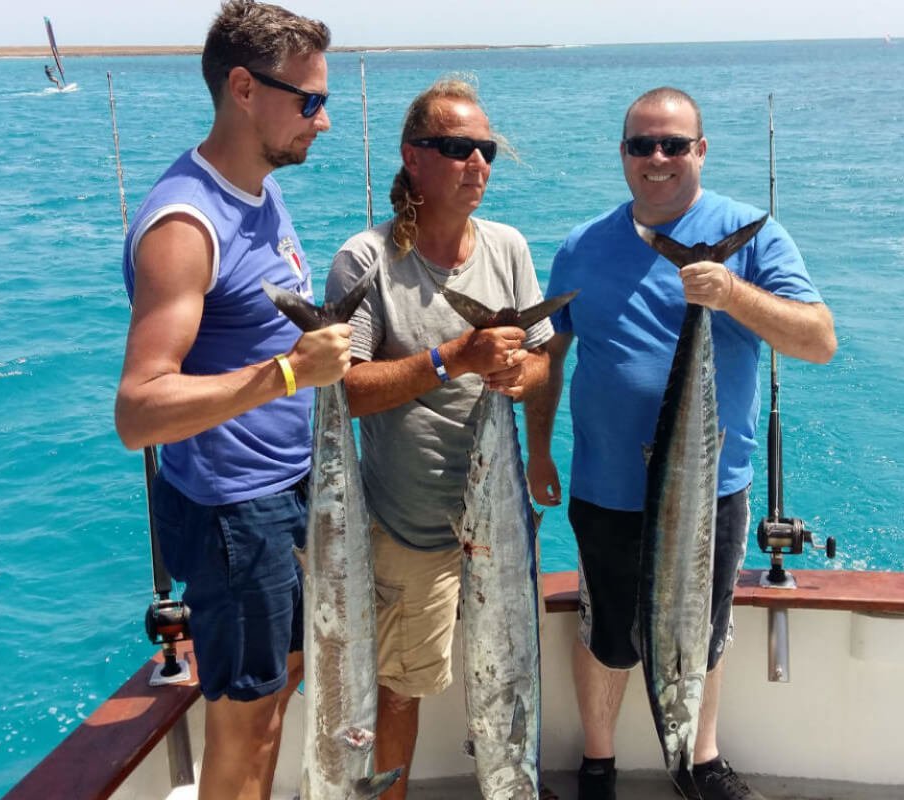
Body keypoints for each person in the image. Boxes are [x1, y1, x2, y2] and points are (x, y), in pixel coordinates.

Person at [525, 86, 837, 800]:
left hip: (709, 487)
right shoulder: (581, 247)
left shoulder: (752, 235)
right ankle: (598, 762)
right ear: (624, 155)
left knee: (703, 621)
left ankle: (701, 759)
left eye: (673, 144)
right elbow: (551, 359)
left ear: (701, 150)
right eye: (641, 145)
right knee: (606, 628)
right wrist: (538, 449)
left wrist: (730, 294)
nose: (657, 159)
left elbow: (818, 340)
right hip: (604, 486)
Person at [112, 3, 348, 799]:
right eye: (309, 100)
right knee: (243, 727)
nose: (323, 118)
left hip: (285, 494)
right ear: (244, 89)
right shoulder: (185, 224)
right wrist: (288, 375)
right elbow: (138, 410)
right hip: (233, 513)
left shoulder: (259, 192)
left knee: (275, 704)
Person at [324, 77, 554, 800]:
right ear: (412, 159)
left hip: (500, 526)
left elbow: (544, 358)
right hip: (411, 527)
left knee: (511, 680)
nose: (477, 163)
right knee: (400, 691)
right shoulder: (366, 261)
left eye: (484, 148)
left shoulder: (509, 247)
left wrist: (521, 375)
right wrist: (457, 357)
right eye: (457, 148)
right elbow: (348, 394)